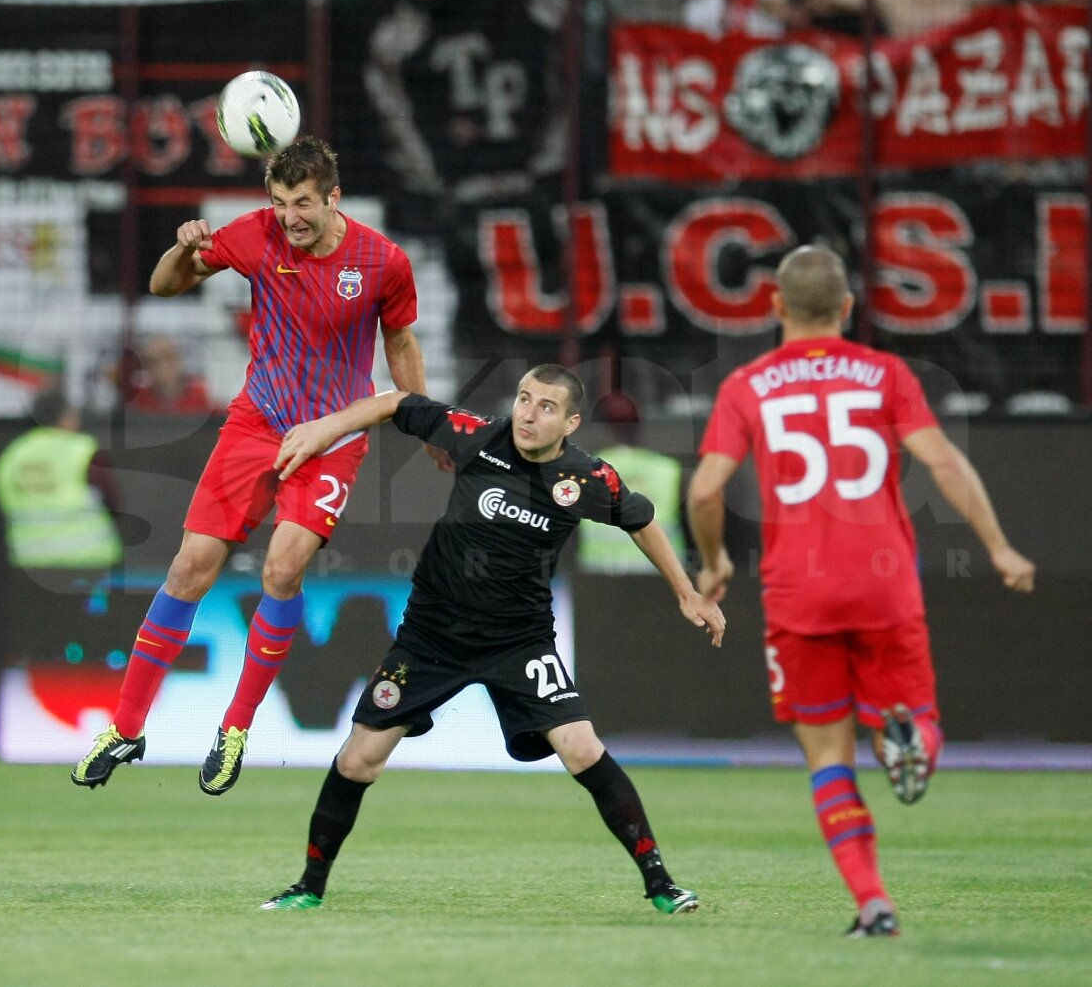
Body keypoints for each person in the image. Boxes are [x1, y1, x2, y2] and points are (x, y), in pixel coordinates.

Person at [260, 364, 726, 915]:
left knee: (581, 748)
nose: (528, 413)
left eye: (546, 407)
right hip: (431, 637)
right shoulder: (477, 436)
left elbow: (641, 521)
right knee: (360, 759)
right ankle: (308, 886)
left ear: (571, 422)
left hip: (519, 642)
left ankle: (661, 883)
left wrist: (687, 592)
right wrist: (326, 428)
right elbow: (396, 401)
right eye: (524, 399)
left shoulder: (586, 479)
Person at [73, 135, 442, 796]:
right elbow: (163, 286)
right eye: (279, 202)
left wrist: (427, 422)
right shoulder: (254, 236)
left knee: (283, 565)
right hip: (253, 426)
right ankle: (126, 729)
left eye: (302, 203)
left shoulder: (381, 262)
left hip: (331, 437)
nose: (290, 217)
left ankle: (235, 727)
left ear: (333, 198)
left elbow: (402, 342)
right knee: (189, 569)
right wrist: (184, 249)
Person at [686, 245, 1036, 937]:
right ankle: (912, 737)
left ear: (776, 306)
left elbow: (703, 488)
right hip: (884, 584)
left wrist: (716, 560)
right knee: (910, 721)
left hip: (798, 594)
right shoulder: (887, 374)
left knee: (826, 757)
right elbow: (943, 461)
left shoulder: (748, 385)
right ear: (847, 308)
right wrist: (997, 544)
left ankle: (874, 904)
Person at [0, 386, 123, 571]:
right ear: (66, 416)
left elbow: (5, 499)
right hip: (88, 560)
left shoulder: (14, 454)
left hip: (30, 561)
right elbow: (113, 501)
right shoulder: (83, 450)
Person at [577, 392, 686, 574]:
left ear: (603, 428)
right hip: (662, 576)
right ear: (639, 426)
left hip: (599, 578)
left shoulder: (583, 472)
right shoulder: (668, 470)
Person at [126, 335, 215, 415]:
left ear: (179, 359)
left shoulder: (201, 395)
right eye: (152, 360)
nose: (162, 365)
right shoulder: (139, 399)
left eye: (168, 357)